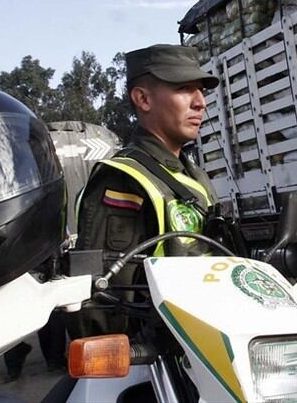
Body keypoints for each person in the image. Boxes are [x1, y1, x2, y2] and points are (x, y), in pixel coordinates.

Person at [69, 44, 220, 336]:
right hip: (154, 363)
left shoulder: (192, 174)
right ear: (143, 99)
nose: (200, 102)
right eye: (185, 89)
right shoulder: (124, 179)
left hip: (204, 347)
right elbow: (105, 302)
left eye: (201, 90)